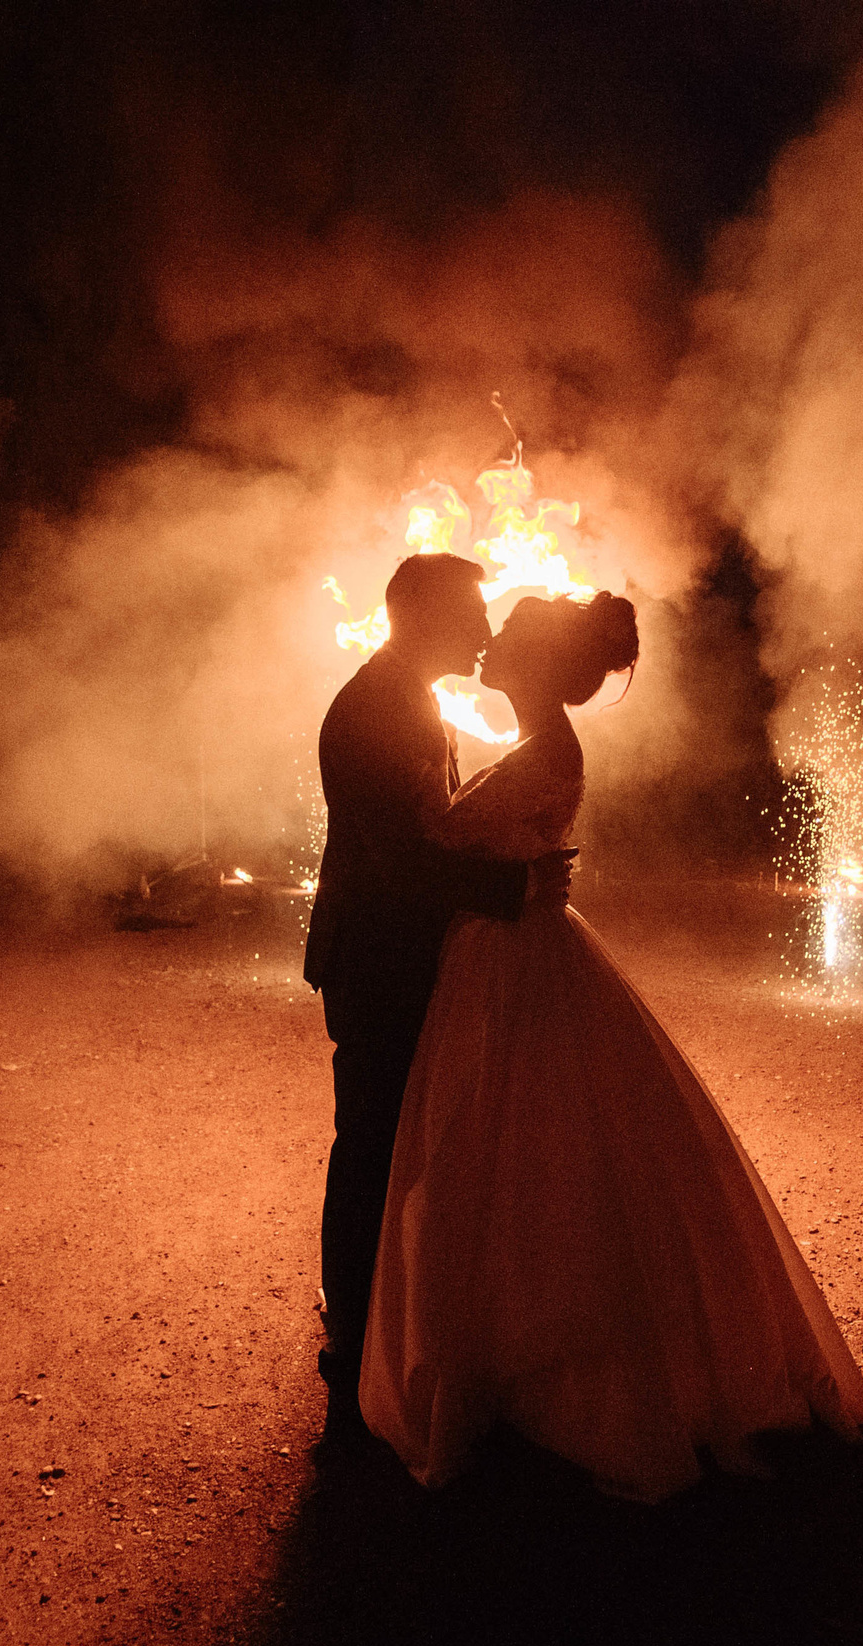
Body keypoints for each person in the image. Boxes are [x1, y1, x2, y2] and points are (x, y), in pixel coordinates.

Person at [358, 593, 863, 1501]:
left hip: (512, 966)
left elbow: (442, 844)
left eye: (509, 638)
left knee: (515, 1158)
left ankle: (535, 1359)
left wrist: (475, 856)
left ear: (540, 666)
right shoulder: (535, 746)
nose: (491, 645)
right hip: (506, 956)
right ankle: (513, 1347)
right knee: (510, 1159)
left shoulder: (547, 750)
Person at [304, 553, 571, 1440]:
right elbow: (396, 861)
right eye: (470, 610)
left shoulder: (404, 699)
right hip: (379, 957)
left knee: (398, 1140)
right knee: (374, 1137)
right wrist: (514, 890)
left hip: (403, 952)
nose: (486, 629)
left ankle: (375, 1321)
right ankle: (352, 1337)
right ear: (416, 612)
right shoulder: (379, 707)